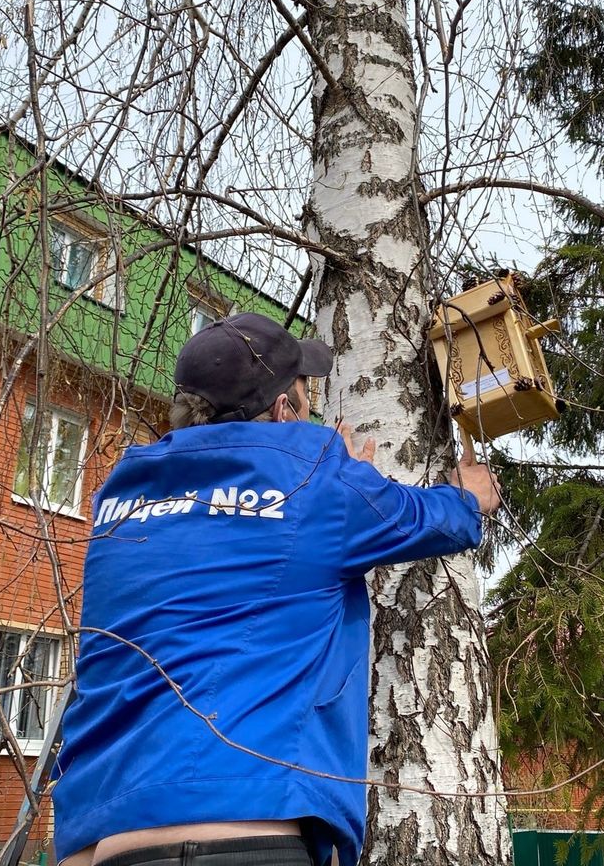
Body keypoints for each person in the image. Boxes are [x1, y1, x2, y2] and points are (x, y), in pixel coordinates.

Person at [52, 312, 501, 866]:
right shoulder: (313, 476)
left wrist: (336, 482)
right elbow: (424, 519)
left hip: (104, 836)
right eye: (306, 393)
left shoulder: (119, 497)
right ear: (284, 410)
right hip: (250, 830)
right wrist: (469, 496)